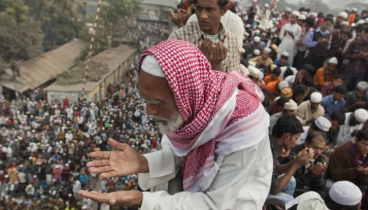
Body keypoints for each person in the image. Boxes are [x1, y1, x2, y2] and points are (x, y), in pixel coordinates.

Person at [78, 40, 273, 209]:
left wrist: (142, 200)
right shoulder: (197, 103)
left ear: (185, 95)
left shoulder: (242, 126)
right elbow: (188, 155)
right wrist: (142, 163)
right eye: (146, 100)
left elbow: (215, 205)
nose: (148, 111)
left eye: (157, 102)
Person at [168, 0, 241, 72]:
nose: (202, 16)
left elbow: (234, 81)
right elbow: (169, 77)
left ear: (224, 10)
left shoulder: (231, 40)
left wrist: (218, 68)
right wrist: (199, 64)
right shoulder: (178, 38)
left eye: (209, 9)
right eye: (199, 8)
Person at [268, 115, 310, 204]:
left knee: (291, 181)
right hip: (252, 189)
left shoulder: (272, 142)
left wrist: (295, 161)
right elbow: (275, 189)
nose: (296, 142)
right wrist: (296, 165)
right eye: (296, 138)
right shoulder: (270, 151)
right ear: (287, 137)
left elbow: (276, 169)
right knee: (289, 200)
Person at [342, 26, 368, 91]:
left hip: (361, 72)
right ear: (364, 33)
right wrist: (357, 56)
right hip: (350, 70)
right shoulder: (355, 43)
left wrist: (365, 56)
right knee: (344, 88)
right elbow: (345, 55)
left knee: (356, 90)